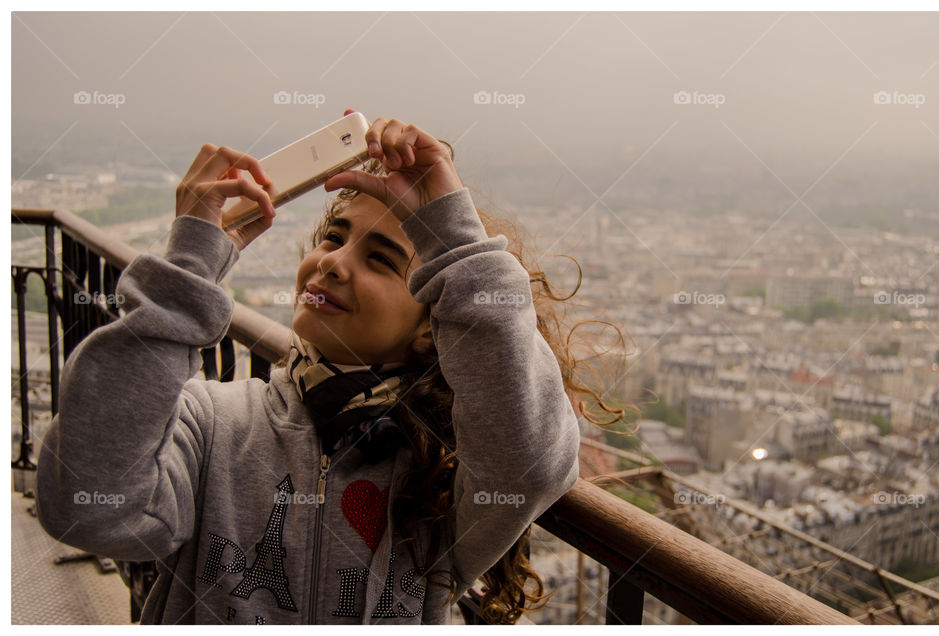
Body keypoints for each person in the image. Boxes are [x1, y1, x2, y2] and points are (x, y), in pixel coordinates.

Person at [36, 110, 624, 624]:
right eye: (333, 236)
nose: (333, 263)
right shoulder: (211, 423)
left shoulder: (437, 472)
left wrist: (456, 241)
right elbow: (90, 506)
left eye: (381, 260)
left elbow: (532, 464)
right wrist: (186, 271)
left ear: (432, 322)